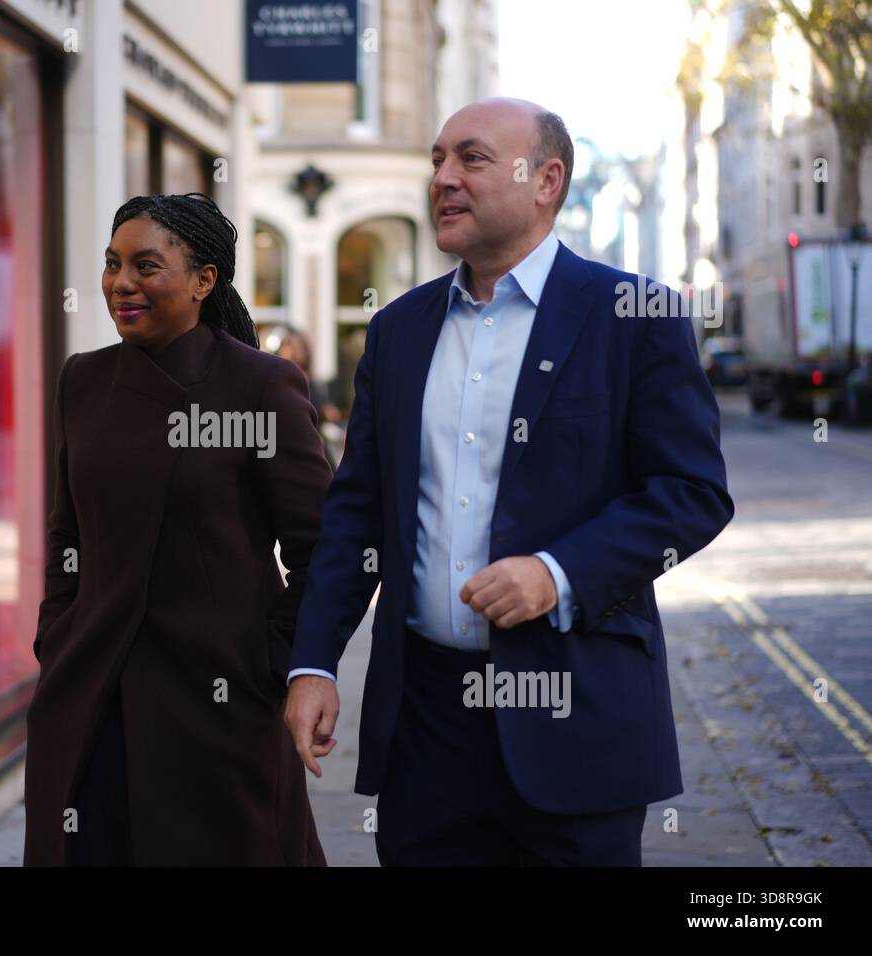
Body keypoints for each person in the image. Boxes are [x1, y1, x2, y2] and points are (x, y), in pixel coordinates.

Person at [284, 98, 734, 866]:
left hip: (576, 718)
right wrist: (314, 662)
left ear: (546, 180)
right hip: (425, 728)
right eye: (437, 161)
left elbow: (692, 494)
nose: (444, 179)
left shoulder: (637, 317)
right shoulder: (398, 331)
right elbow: (356, 513)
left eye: (472, 158)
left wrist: (558, 575)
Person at [24, 193, 331, 866]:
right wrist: (57, 638)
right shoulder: (84, 380)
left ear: (203, 280)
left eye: (145, 266)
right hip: (89, 700)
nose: (121, 283)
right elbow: (66, 536)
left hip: (217, 708)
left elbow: (324, 551)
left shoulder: (261, 385)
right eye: (111, 264)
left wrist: (272, 665)